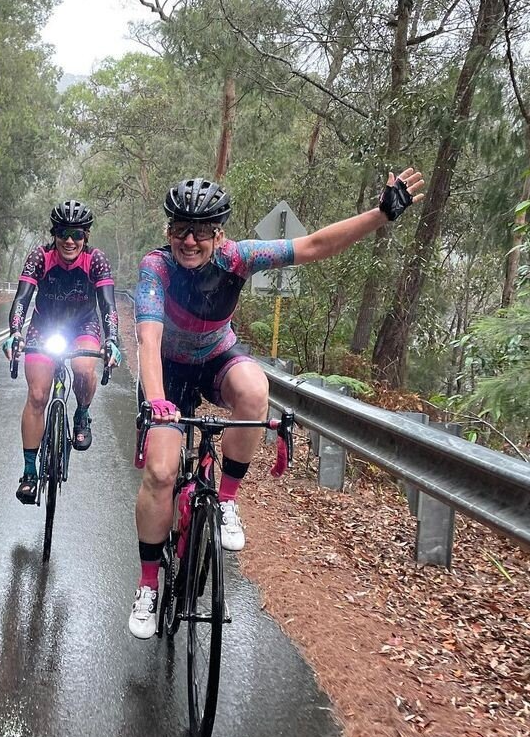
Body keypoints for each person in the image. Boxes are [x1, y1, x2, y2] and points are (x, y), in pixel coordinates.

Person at [127, 169, 425, 638]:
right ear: (168, 232)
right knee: (162, 473)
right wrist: (159, 402)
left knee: (254, 389)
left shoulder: (238, 258)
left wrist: (380, 215)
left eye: (202, 230)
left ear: (218, 233)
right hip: (168, 369)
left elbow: (314, 247)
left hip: (216, 355)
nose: (190, 240)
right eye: (181, 229)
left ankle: (225, 501)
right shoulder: (155, 267)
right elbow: (148, 337)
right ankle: (147, 586)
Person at [3, 199, 122, 503]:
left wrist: (112, 340)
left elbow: (108, 304)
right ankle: (29, 472)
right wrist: (15, 333)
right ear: (54, 234)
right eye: (63, 233)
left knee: (83, 369)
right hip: (44, 325)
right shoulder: (39, 257)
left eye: (77, 234)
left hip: (84, 326)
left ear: (87, 236)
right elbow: (22, 299)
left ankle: (81, 414)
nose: (70, 240)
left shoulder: (96, 260)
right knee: (38, 395)